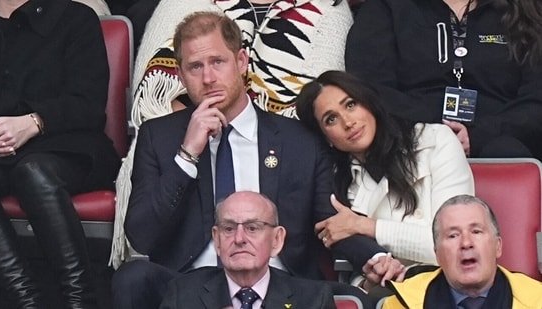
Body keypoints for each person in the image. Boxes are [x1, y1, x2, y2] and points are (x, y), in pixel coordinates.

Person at [111, 12, 384, 309]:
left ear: (241, 62)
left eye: (218, 62)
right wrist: (187, 154)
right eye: (195, 67)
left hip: (278, 285)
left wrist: (376, 257)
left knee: (358, 301)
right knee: (132, 278)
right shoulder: (159, 136)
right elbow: (141, 235)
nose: (208, 78)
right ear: (180, 74)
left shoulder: (298, 140)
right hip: (189, 288)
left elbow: (330, 222)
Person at [296, 71, 475, 290]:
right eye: (331, 119)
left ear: (368, 102)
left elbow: (455, 244)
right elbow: (353, 274)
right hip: (392, 296)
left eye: (351, 105)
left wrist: (364, 226)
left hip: (458, 288)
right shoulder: (336, 185)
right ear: (326, 137)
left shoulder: (436, 141)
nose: (348, 122)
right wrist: (370, 280)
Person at [0, 0, 120, 308]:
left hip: (69, 144)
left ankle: (80, 301)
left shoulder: (74, 16)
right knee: (27, 169)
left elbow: (89, 105)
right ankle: (27, 302)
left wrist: (35, 122)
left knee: (33, 172)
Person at [346, 0, 542, 160]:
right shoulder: (385, 8)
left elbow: (536, 99)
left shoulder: (525, 10)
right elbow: (370, 90)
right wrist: (438, 131)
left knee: (505, 151)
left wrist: (479, 135)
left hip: (502, 141)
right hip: (414, 140)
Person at [159, 191, 337, 309]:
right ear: (217, 239)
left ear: (276, 240)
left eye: (252, 228)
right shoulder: (182, 297)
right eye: (228, 229)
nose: (239, 239)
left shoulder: (313, 300)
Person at [382, 194, 542, 308]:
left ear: (498, 246)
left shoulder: (537, 300)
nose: (466, 243)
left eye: (476, 231)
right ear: (437, 255)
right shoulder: (402, 303)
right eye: (453, 235)